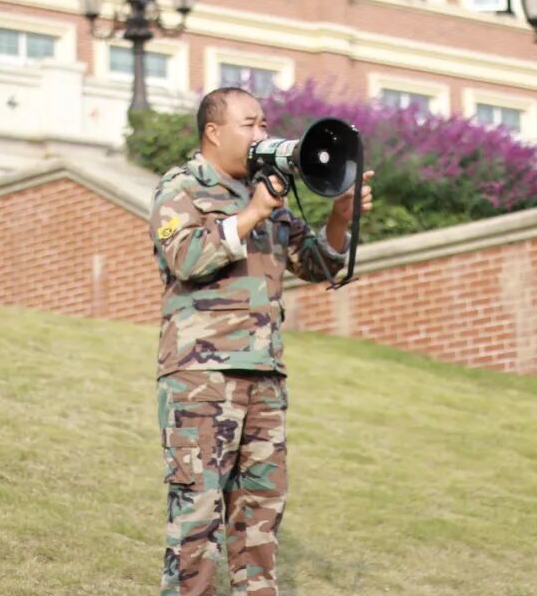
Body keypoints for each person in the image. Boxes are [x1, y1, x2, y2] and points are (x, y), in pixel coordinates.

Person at [149, 87, 373, 596]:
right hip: (201, 377)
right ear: (213, 132)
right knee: (197, 510)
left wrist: (340, 217)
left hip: (265, 375)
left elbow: (316, 264)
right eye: (249, 124)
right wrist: (251, 213)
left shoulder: (266, 192)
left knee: (260, 513)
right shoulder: (181, 187)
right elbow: (185, 259)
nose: (261, 133)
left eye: (264, 124)